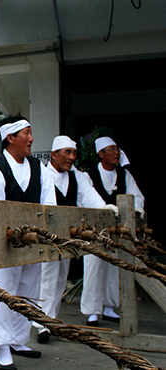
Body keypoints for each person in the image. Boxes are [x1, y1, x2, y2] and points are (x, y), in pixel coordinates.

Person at [0, 116, 56, 370]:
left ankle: (18, 340)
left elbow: (48, 203)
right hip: (3, 245)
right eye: (26, 133)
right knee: (1, 294)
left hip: (31, 244)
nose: (31, 139)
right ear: (10, 138)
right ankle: (2, 347)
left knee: (27, 291)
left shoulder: (39, 168)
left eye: (31, 133)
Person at [33, 136, 116, 344]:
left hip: (67, 238)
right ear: (54, 155)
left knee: (60, 279)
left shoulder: (77, 177)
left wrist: (103, 207)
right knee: (46, 279)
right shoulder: (42, 174)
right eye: (67, 153)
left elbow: (88, 195)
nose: (72, 157)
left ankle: (51, 321)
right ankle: (42, 323)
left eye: (74, 153)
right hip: (46, 238)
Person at [80, 136, 145, 326]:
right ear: (101, 154)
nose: (116, 153)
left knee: (113, 269)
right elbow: (85, 198)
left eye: (117, 149)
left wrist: (136, 210)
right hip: (95, 231)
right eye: (111, 149)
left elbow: (137, 196)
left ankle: (110, 307)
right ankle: (92, 311)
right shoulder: (88, 176)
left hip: (117, 231)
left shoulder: (125, 175)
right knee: (93, 269)